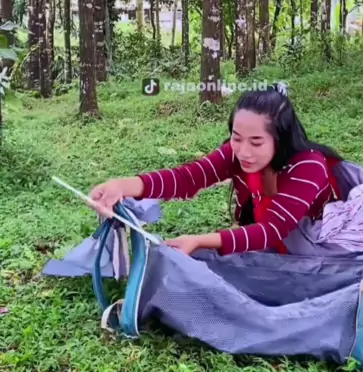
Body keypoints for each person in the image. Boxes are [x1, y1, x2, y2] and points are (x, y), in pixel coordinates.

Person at [89, 84, 344, 256]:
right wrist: (121, 186)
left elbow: (271, 230)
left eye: (256, 142)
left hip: (315, 247)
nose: (243, 151)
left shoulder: (307, 165)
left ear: (281, 139)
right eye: (236, 138)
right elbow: (188, 178)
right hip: (270, 244)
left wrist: (199, 240)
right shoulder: (235, 154)